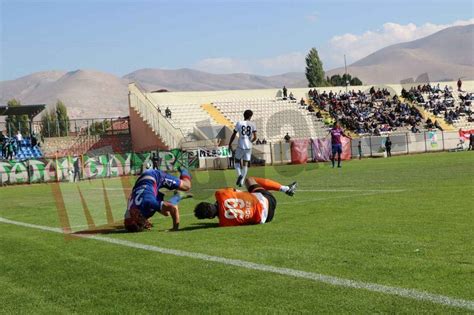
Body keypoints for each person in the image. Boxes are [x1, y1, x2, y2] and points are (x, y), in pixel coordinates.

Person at [194, 177, 297, 227]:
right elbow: (236, 191)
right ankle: (286, 188)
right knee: (249, 180)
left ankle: (284, 189)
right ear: (208, 203)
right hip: (266, 199)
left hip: (266, 218)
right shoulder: (220, 194)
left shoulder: (224, 223)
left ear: (210, 217)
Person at [124, 167, 192, 232]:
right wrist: (143, 222)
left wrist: (175, 228)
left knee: (187, 186)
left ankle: (184, 170)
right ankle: (179, 195)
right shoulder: (131, 211)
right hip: (142, 185)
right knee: (166, 213)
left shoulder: (148, 202)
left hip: (155, 176)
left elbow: (173, 207)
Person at [228, 110, 257, 187]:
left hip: (241, 146)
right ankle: (242, 181)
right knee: (245, 164)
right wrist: (250, 141)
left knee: (237, 161)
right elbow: (255, 137)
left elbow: (234, 134)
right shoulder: (253, 124)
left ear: (244, 115)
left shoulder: (239, 123)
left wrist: (230, 143)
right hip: (248, 147)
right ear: (250, 116)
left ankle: (239, 174)